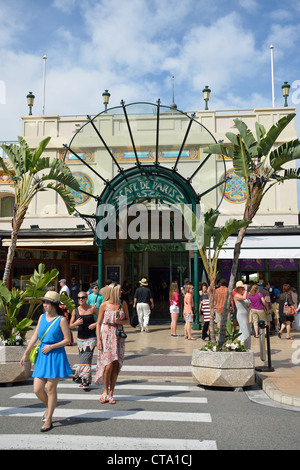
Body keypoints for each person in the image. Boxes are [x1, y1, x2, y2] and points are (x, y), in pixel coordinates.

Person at [20, 291, 72, 432]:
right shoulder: (42, 317)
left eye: (47, 303)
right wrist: (26, 353)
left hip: (55, 354)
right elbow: (35, 336)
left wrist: (51, 346)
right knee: (37, 389)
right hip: (42, 355)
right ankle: (49, 408)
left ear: (54, 304)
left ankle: (49, 418)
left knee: (50, 389)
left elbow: (68, 340)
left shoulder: (61, 320)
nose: (45, 305)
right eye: (44, 302)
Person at [95, 283, 129, 404]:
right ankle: (105, 390)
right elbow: (98, 323)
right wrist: (98, 340)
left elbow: (128, 320)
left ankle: (111, 393)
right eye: (119, 291)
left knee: (115, 365)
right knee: (108, 365)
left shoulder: (122, 304)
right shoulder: (104, 305)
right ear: (114, 292)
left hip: (118, 335)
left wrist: (120, 321)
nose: (121, 293)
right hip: (107, 335)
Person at [70, 291, 98, 390]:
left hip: (91, 337)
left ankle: (84, 381)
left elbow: (101, 319)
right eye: (79, 298)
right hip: (80, 339)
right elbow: (70, 325)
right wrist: (76, 323)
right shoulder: (75, 311)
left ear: (86, 298)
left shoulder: (92, 308)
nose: (81, 299)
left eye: (82, 297)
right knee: (85, 360)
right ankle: (85, 379)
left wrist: (95, 324)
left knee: (86, 359)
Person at [234, 281, 251, 350]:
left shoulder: (242, 295)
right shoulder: (236, 295)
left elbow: (248, 302)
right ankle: (239, 346)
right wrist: (246, 289)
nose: (242, 289)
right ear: (238, 288)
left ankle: (246, 348)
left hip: (246, 315)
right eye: (241, 288)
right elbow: (244, 298)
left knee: (243, 332)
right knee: (245, 333)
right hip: (241, 316)